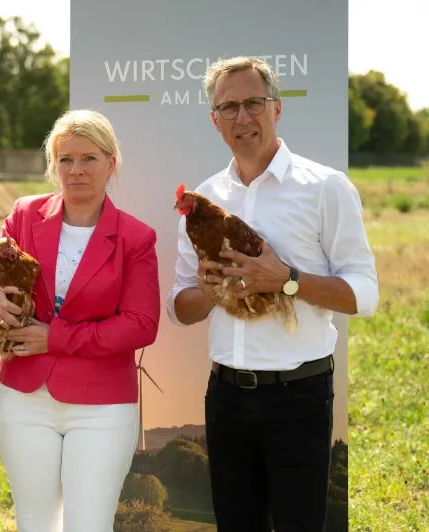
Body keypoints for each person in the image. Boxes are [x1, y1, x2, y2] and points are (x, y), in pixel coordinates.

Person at [167, 56, 379, 531]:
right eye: (229, 107)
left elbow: (364, 294)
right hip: (225, 397)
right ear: (214, 119)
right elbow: (180, 307)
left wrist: (286, 279)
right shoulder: (204, 198)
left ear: (277, 108)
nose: (243, 117)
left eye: (253, 103)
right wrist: (209, 289)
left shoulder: (325, 188)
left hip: (297, 397)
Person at [0, 109, 161, 531]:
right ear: (53, 166)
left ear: (111, 163)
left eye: (89, 158)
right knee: (34, 522)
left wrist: (56, 338)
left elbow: (141, 324)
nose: (76, 170)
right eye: (65, 159)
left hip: (102, 406)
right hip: (22, 398)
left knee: (87, 525)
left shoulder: (136, 238)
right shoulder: (23, 214)